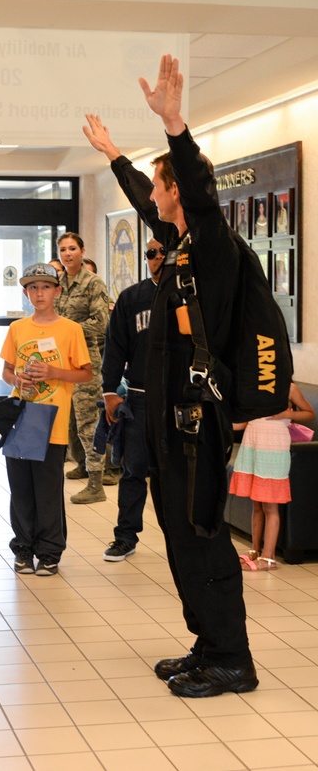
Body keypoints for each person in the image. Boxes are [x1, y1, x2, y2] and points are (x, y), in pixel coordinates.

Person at [89, 54, 258, 698]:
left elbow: (199, 192)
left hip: (199, 425)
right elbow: (144, 196)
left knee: (205, 542)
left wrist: (176, 127)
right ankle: (208, 642)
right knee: (180, 541)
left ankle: (233, 658)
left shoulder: (213, 245)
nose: (155, 198)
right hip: (166, 425)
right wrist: (113, 158)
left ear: (181, 190)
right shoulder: (181, 245)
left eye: (163, 188)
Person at [0, 264, 92, 576]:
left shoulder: (70, 330)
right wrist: (17, 381)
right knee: (21, 489)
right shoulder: (17, 329)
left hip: (52, 420)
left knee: (48, 491)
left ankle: (50, 551)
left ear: (57, 291)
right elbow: (6, 371)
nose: (39, 293)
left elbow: (85, 373)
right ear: (25, 293)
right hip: (21, 418)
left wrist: (54, 372)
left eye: (46, 287)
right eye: (33, 288)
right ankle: (24, 548)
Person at [97, 226, 166, 562]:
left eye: (162, 251)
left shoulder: (196, 295)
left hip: (179, 400)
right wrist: (110, 391)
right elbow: (115, 348)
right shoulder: (132, 298)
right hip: (138, 398)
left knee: (176, 474)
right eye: (150, 253)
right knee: (133, 471)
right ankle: (125, 536)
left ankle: (184, 539)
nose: (156, 258)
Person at [230, 383, 314, 571]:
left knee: (270, 506)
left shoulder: (289, 388)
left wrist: (288, 415)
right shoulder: (253, 385)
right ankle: (255, 551)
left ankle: (269, 558)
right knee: (257, 504)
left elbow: (309, 413)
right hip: (253, 446)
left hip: (273, 450)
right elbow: (245, 420)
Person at [54, 232, 110, 502]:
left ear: (82, 250)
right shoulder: (57, 283)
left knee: (88, 423)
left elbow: (101, 323)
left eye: (72, 248)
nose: (67, 254)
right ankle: (74, 466)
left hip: (84, 361)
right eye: (63, 249)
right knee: (66, 422)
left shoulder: (93, 282)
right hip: (57, 361)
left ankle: (96, 483)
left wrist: (68, 331)